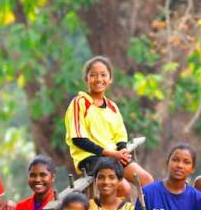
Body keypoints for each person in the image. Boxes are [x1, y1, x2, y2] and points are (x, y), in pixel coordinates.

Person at [64, 55, 153, 196]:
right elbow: (79, 139)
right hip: (91, 158)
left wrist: (122, 150)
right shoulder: (79, 103)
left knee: (147, 180)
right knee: (123, 187)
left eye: (103, 75)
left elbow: (120, 134)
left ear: (110, 79)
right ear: (86, 79)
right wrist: (112, 154)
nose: (99, 79)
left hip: (114, 156)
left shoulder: (112, 106)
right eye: (93, 75)